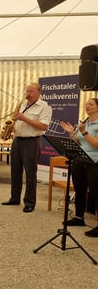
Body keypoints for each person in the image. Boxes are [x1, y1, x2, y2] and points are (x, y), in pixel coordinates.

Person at [1, 83, 52, 213]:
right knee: (15, 171)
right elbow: (19, 122)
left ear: (39, 92)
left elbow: (44, 126)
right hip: (18, 140)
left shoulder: (45, 107)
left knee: (30, 173)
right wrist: (11, 127)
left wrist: (24, 118)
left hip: (31, 141)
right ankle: (15, 197)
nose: (28, 94)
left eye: (31, 91)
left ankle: (29, 202)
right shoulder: (22, 105)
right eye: (27, 91)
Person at [60, 98, 98, 237]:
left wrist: (84, 132)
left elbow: (96, 145)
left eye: (91, 104)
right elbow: (79, 142)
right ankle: (79, 217)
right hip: (80, 159)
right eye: (86, 104)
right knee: (79, 189)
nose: (87, 106)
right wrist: (71, 132)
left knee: (96, 192)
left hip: (94, 161)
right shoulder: (85, 123)